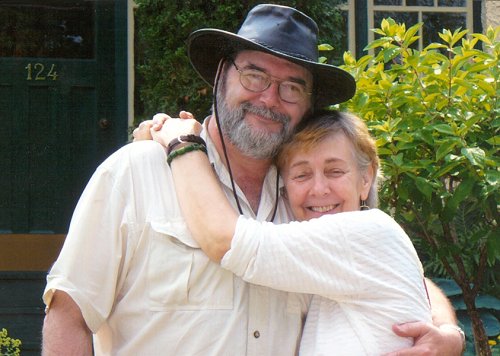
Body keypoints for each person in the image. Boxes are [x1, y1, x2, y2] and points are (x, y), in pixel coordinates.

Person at [42, 4, 464, 355]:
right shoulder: (134, 173)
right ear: (221, 76)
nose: (269, 98)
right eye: (254, 75)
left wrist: (447, 331)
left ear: (307, 106)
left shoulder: (311, 200)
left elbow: (392, 270)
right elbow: (70, 313)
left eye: (291, 88)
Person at [148, 110, 433, 355]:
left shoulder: (366, 233)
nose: (319, 189)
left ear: (365, 178)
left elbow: (225, 239)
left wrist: (182, 143)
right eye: (301, 175)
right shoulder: (338, 253)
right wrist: (447, 330)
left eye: (334, 171)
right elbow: (423, 286)